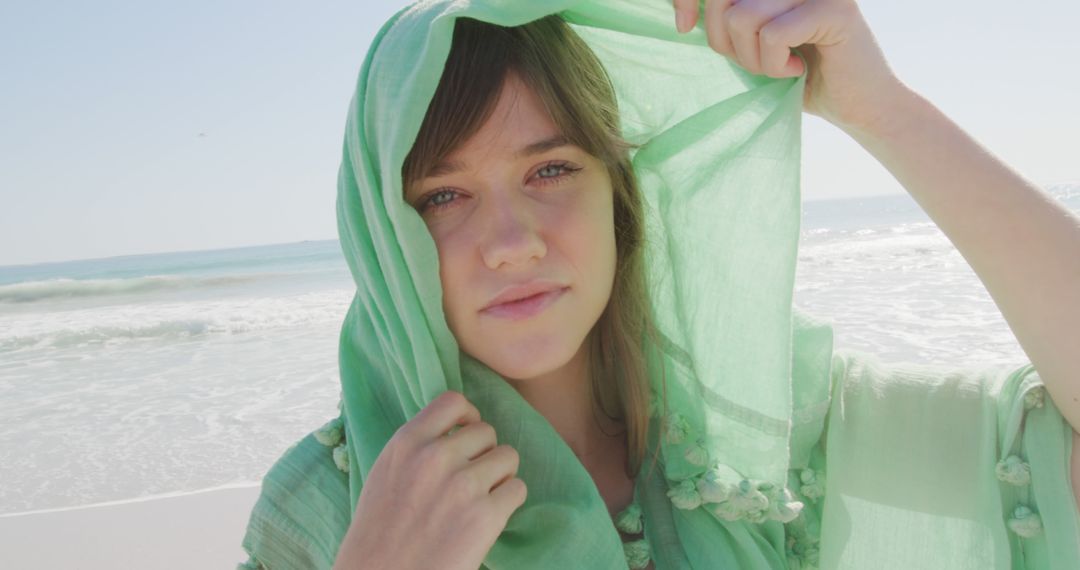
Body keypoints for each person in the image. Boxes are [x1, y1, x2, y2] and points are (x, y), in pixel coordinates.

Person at [239, 0, 1080, 568]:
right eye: (444, 196)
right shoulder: (337, 509)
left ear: (622, 198)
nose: (509, 244)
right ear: (385, 234)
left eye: (551, 169)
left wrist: (880, 108)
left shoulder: (763, 448)